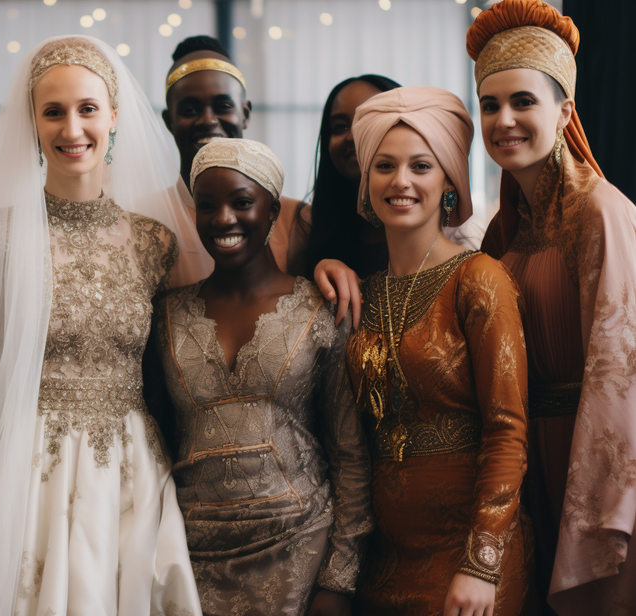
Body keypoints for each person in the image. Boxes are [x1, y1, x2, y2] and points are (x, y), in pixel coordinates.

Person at [0, 35, 212, 615]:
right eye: (53, 112)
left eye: (88, 109)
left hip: (127, 470)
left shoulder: (154, 242)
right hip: (19, 466)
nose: (72, 129)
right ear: (31, 123)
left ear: (114, 116)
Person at [151, 138, 371, 616]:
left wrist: (339, 580)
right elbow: (159, 442)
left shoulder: (322, 309)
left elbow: (350, 454)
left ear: (273, 210)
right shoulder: (165, 315)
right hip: (191, 560)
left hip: (300, 551)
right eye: (206, 205)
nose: (223, 218)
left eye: (242, 202)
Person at [466, 1, 636, 613]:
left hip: (590, 458)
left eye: (523, 102)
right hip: (527, 456)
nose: (503, 119)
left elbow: (621, 370)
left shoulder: (600, 212)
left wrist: (594, 506)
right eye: (489, 105)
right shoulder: (505, 230)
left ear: (565, 112)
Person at [345, 86, 530, 616]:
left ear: (449, 180)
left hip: (467, 557)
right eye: (384, 165)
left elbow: (509, 430)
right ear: (366, 182)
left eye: (421, 166)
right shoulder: (366, 290)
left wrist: (481, 562)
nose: (400, 181)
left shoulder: (479, 280)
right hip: (382, 559)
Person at [162, 35, 308, 276]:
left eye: (223, 106)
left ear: (245, 113)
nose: (208, 120)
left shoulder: (299, 220)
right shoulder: (144, 218)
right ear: (170, 122)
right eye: (189, 110)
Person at [304, 75, 401, 281]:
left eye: (369, 121)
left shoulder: (448, 238)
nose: (351, 136)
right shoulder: (307, 232)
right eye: (340, 127)